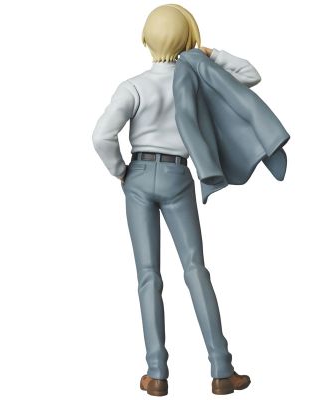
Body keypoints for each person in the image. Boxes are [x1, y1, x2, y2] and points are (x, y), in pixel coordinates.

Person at [93, 4, 261, 396]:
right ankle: (221, 370)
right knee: (195, 269)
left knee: (147, 275)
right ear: (189, 40)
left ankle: (156, 374)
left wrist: (120, 171)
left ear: (145, 39)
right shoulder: (196, 82)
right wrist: (211, 54)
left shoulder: (133, 86)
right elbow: (250, 75)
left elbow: (101, 135)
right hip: (176, 175)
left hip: (138, 175)